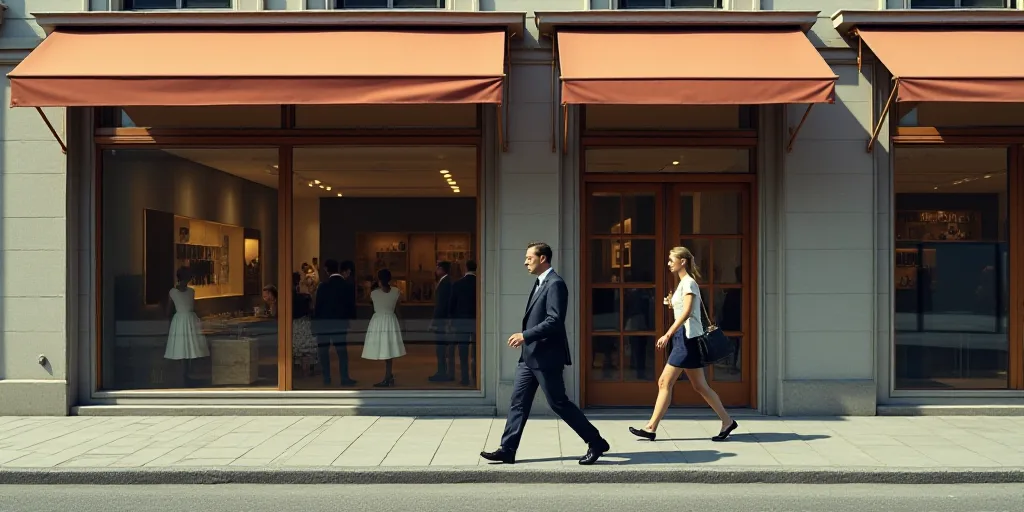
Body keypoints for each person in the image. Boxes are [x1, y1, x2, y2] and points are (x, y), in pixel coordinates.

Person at [481, 242, 610, 465]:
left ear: (543, 259)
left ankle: (596, 441)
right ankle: (507, 449)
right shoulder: (541, 282)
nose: (525, 262)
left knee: (558, 403)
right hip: (529, 358)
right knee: (518, 402)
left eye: (529, 258)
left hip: (546, 357)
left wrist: (525, 335)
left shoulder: (555, 284)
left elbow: (554, 321)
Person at [629, 246, 738, 443]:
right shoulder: (683, 284)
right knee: (700, 386)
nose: (669, 263)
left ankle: (651, 427)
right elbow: (686, 310)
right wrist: (672, 303)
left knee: (665, 382)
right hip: (685, 338)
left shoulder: (688, 283)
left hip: (686, 340)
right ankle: (727, 421)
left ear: (683, 261)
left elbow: (687, 313)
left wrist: (667, 334)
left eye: (672, 260)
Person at [313, 259, 357, 387]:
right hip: (340, 323)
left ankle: (327, 377)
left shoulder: (323, 286)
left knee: (324, 351)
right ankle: (344, 377)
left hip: (324, 323)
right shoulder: (347, 286)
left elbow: (318, 307)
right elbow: (350, 306)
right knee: (342, 351)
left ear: (326, 269)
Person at [361, 268, 406, 387]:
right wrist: (402, 325)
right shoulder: (396, 291)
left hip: (379, 321)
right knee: (389, 349)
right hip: (391, 320)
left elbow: (367, 301)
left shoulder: (374, 293)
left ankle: (388, 377)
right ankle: (388, 375)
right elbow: (398, 309)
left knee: (384, 348)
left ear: (379, 279)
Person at [165, 267, 210, 375]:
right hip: (185, 319)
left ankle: (187, 373)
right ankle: (185, 373)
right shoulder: (177, 292)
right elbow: (169, 310)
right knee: (187, 345)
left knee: (188, 346)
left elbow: (168, 311)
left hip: (184, 319)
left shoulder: (189, 291)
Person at [449, 260, 477, 386]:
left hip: (461, 321)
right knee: (476, 351)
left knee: (463, 351)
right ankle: (476, 377)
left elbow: (452, 305)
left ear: (465, 267)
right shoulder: (480, 284)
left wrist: (451, 321)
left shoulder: (458, 284)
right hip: (477, 321)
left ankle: (465, 378)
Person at [428, 261, 454, 382]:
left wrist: (434, 321)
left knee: (441, 347)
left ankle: (442, 372)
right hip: (443, 320)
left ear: (442, 269)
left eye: (437, 268)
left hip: (442, 321)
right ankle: (443, 371)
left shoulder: (445, 283)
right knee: (442, 347)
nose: (436, 270)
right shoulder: (446, 281)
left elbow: (441, 305)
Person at [292, 272, 318, 377]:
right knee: (306, 349)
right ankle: (306, 370)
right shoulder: (305, 295)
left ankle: (301, 369)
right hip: (305, 322)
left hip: (296, 323)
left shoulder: (291, 293)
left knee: (299, 348)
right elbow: (311, 309)